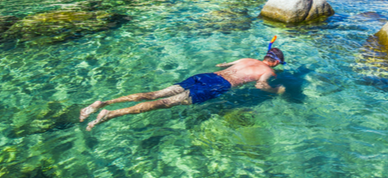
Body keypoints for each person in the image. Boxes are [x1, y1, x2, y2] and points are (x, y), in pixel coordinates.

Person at [80, 48, 287, 131]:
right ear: (276, 63)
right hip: (218, 86)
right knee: (164, 104)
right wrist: (277, 91)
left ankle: (104, 102)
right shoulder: (270, 72)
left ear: (266, 56)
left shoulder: (246, 58)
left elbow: (221, 65)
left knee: (157, 94)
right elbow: (261, 84)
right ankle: (111, 114)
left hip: (207, 76)